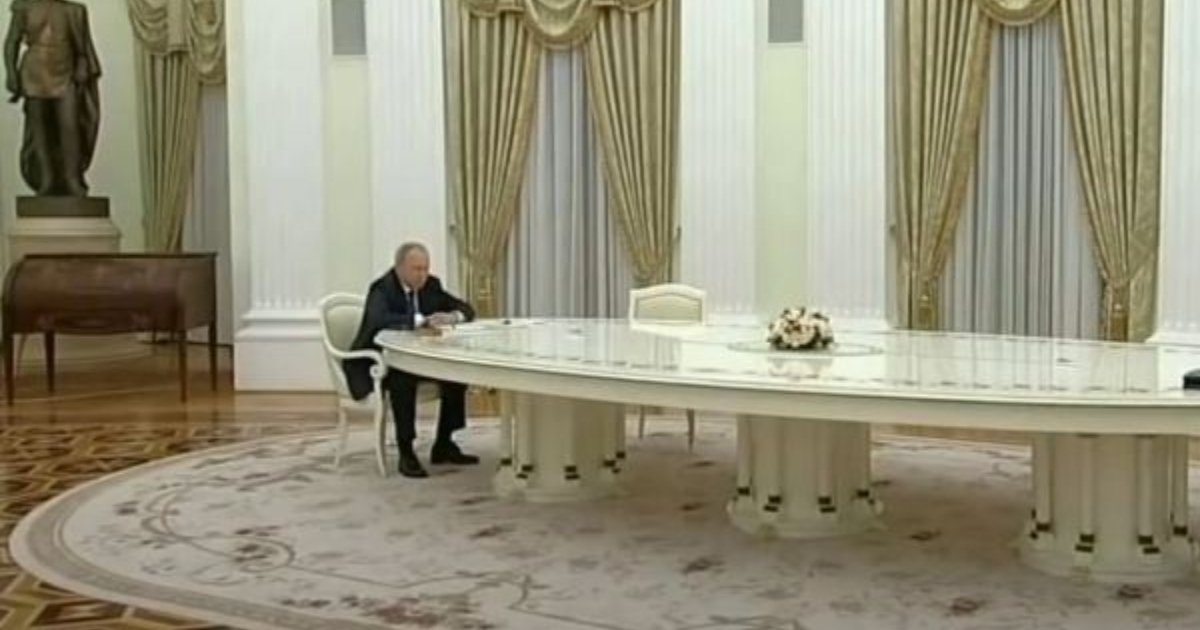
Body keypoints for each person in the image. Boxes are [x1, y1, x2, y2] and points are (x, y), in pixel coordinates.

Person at [344, 242, 479, 478]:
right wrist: (419, 321)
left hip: (419, 357)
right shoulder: (382, 288)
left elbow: (465, 308)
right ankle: (406, 451)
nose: (422, 275)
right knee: (402, 377)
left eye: (425, 268)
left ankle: (444, 443)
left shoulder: (432, 285)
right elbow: (378, 320)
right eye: (416, 269)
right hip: (379, 362)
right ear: (399, 268)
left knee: (455, 372)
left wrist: (452, 316)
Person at [3, 0, 102, 197]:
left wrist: (82, 65)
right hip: (34, 73)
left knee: (69, 126)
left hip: (64, 72)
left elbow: (82, 48)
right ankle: (46, 178)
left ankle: (72, 178)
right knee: (40, 129)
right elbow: (11, 41)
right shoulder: (24, 7)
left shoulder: (74, 11)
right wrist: (11, 73)